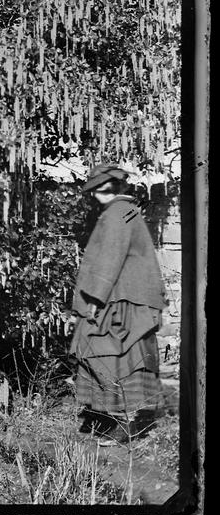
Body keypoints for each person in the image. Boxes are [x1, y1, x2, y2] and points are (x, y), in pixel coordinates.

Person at [69, 164, 167, 445]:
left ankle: (123, 422)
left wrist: (95, 299)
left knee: (110, 353)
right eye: (97, 190)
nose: (99, 195)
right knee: (124, 355)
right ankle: (119, 417)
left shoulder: (116, 215)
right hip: (126, 296)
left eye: (102, 189)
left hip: (121, 298)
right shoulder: (127, 212)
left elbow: (109, 258)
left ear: (112, 188)